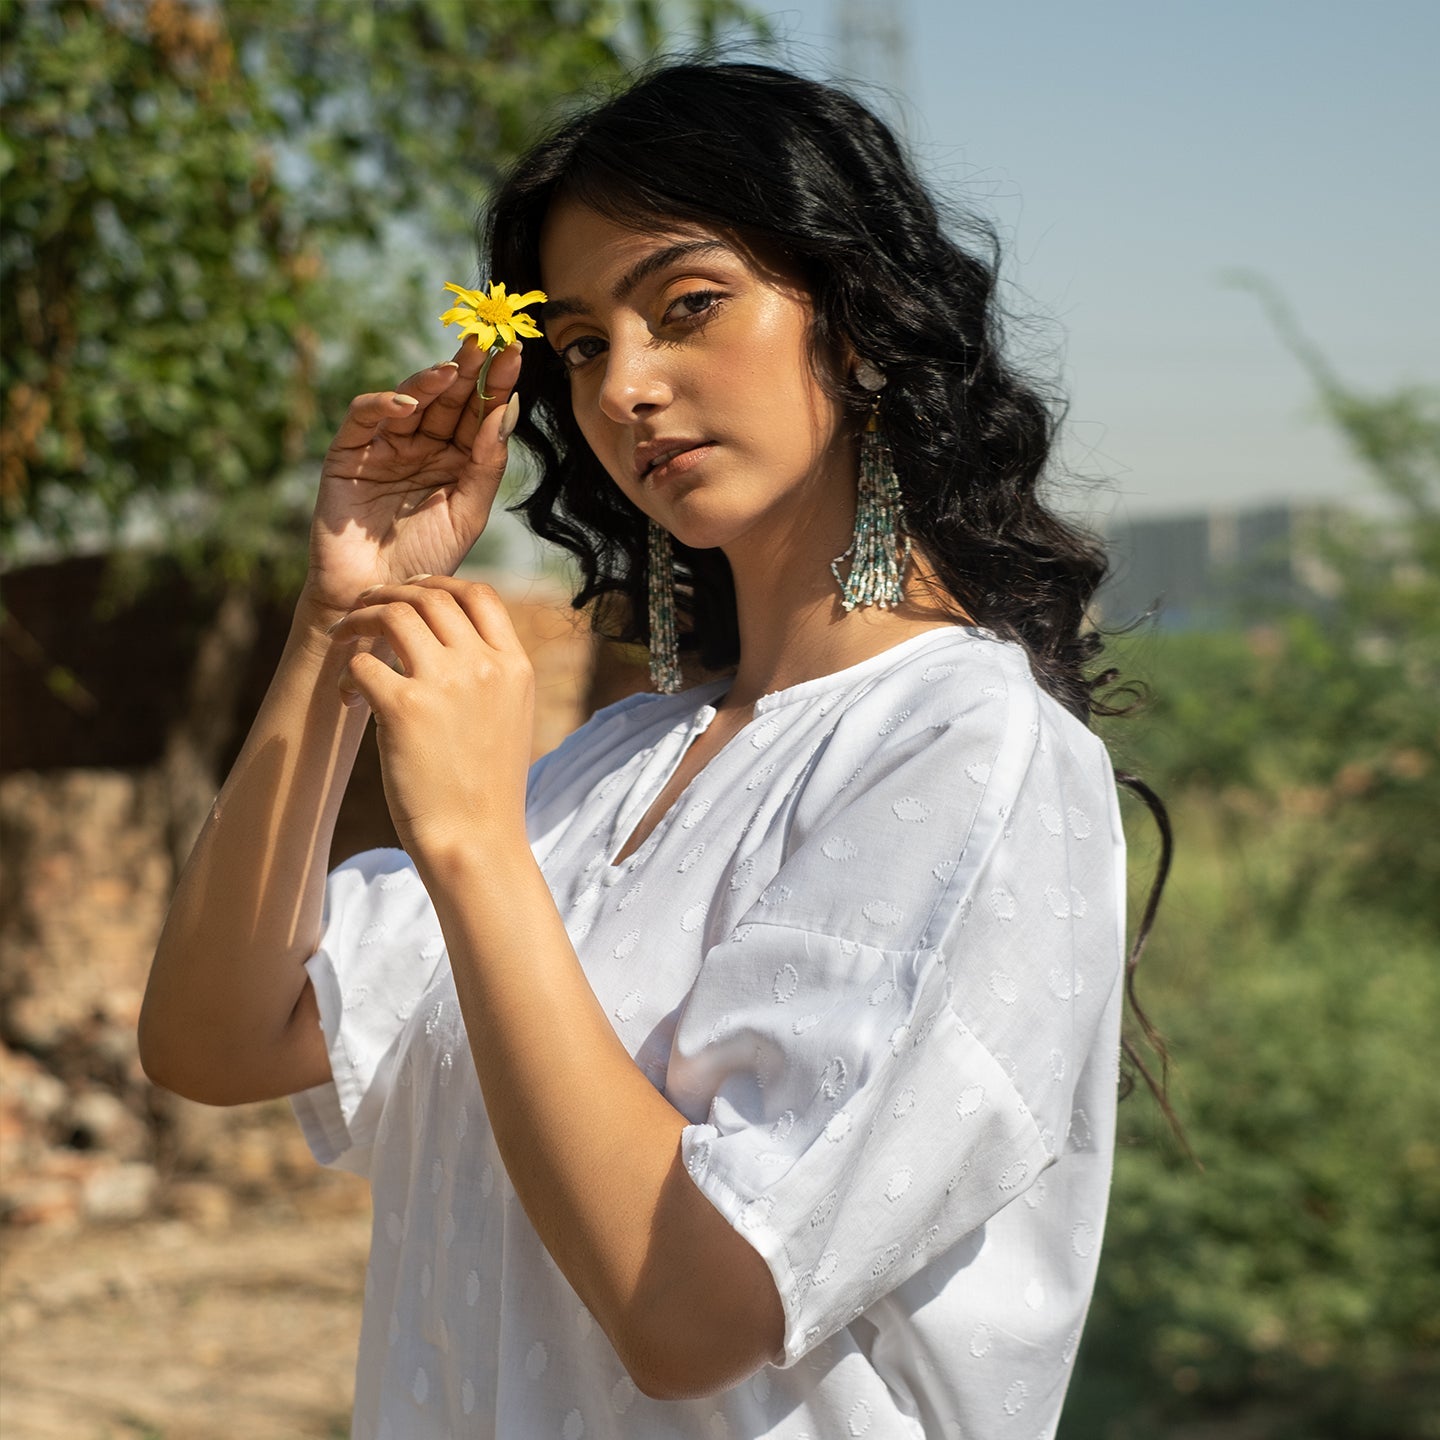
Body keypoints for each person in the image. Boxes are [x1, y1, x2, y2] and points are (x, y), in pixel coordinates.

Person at [140, 60, 1169, 1440]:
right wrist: (341, 622)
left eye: (687, 306)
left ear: (860, 316)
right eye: (577, 345)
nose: (624, 386)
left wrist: (473, 844)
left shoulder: (967, 748)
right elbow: (215, 1040)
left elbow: (690, 1312)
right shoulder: (611, 766)